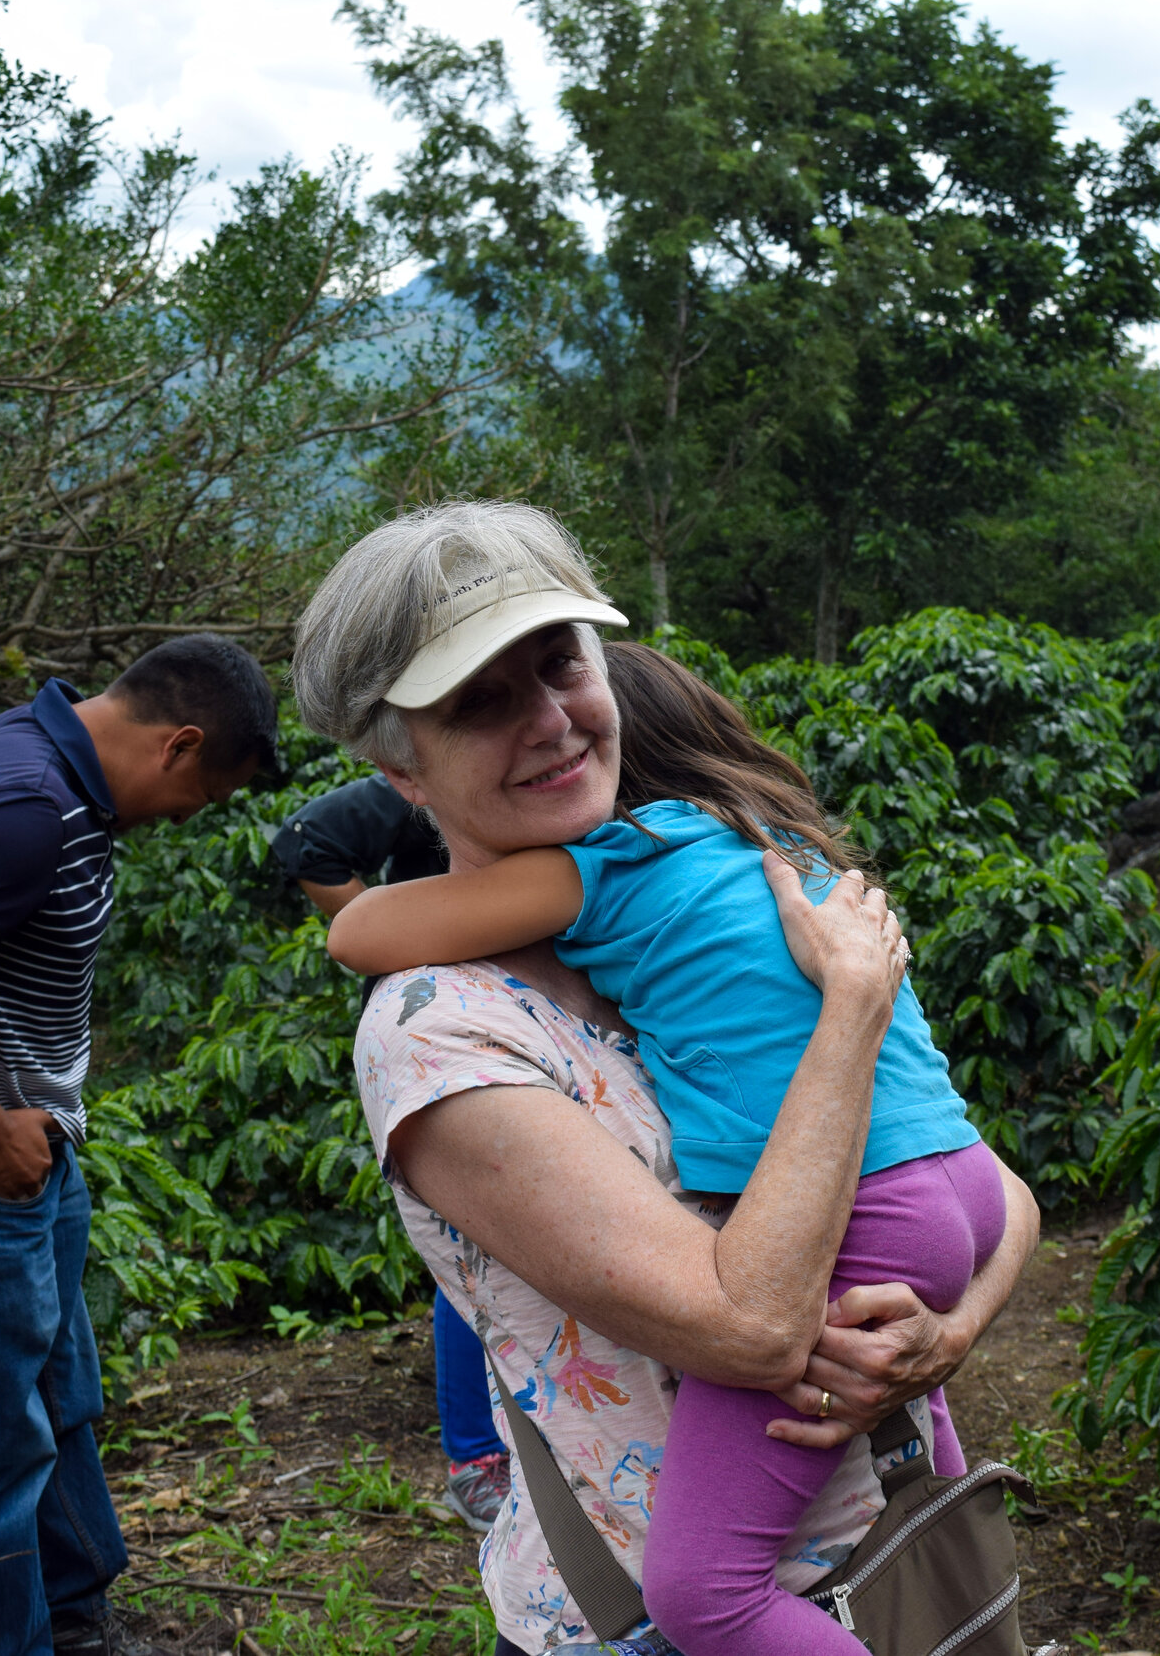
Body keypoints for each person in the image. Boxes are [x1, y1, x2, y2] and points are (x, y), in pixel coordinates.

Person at [289, 502, 1040, 1656]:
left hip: (887, 1553)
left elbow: (984, 1180)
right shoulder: (442, 1029)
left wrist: (958, 1326)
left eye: (561, 664)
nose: (548, 720)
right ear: (399, 766)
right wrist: (850, 1010)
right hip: (655, 1615)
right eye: (480, 701)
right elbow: (747, 1329)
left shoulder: (663, 924)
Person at [0, 637, 277, 1656]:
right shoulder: (27, 811)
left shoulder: (40, 759)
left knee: (55, 1397)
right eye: (201, 797)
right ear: (177, 744)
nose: (185, 820)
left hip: (23, 1152)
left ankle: (75, 1617)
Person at [269, 777, 513, 1529]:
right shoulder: (430, 780)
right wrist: (406, 933)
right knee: (469, 1241)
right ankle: (476, 1458)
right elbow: (304, 841)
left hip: (531, 1011)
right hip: (449, 1026)